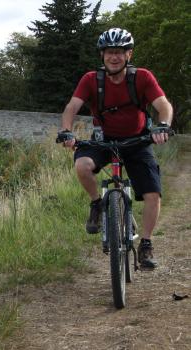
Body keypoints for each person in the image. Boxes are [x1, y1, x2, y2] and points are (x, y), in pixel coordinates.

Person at [57, 28, 173, 269]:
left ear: (128, 55)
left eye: (119, 52)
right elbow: (71, 107)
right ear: (102, 55)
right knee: (82, 165)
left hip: (137, 142)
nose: (114, 57)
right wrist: (67, 131)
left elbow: (164, 105)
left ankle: (146, 244)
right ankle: (97, 204)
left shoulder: (142, 77)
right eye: (109, 52)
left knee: (152, 193)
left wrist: (162, 126)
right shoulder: (91, 79)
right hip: (103, 141)